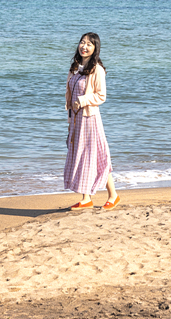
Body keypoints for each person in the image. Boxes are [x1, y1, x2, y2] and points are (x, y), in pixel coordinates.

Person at [64, 32, 119, 210]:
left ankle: (113, 195)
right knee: (82, 156)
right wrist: (69, 121)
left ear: (95, 48)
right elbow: (70, 97)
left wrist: (83, 100)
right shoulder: (75, 68)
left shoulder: (97, 69)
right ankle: (86, 198)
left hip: (90, 119)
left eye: (89, 44)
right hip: (76, 119)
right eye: (82, 42)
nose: (84, 46)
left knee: (96, 156)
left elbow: (101, 96)